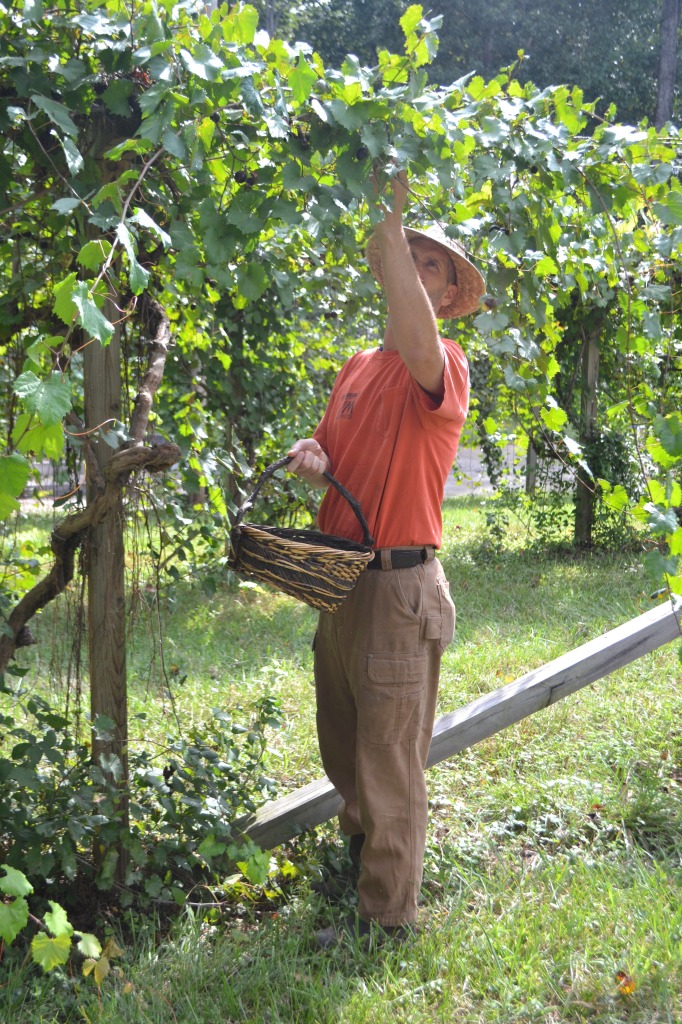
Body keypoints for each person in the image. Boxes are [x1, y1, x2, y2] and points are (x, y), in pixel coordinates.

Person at [287, 172, 485, 948]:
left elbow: (412, 331)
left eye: (431, 263)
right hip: (340, 581)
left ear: (446, 295)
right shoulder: (357, 366)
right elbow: (332, 457)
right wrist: (312, 456)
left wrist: (392, 219)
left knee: (390, 759)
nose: (415, 264)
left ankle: (386, 919)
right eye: (408, 254)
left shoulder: (443, 367)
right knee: (344, 741)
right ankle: (360, 858)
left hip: (399, 586)